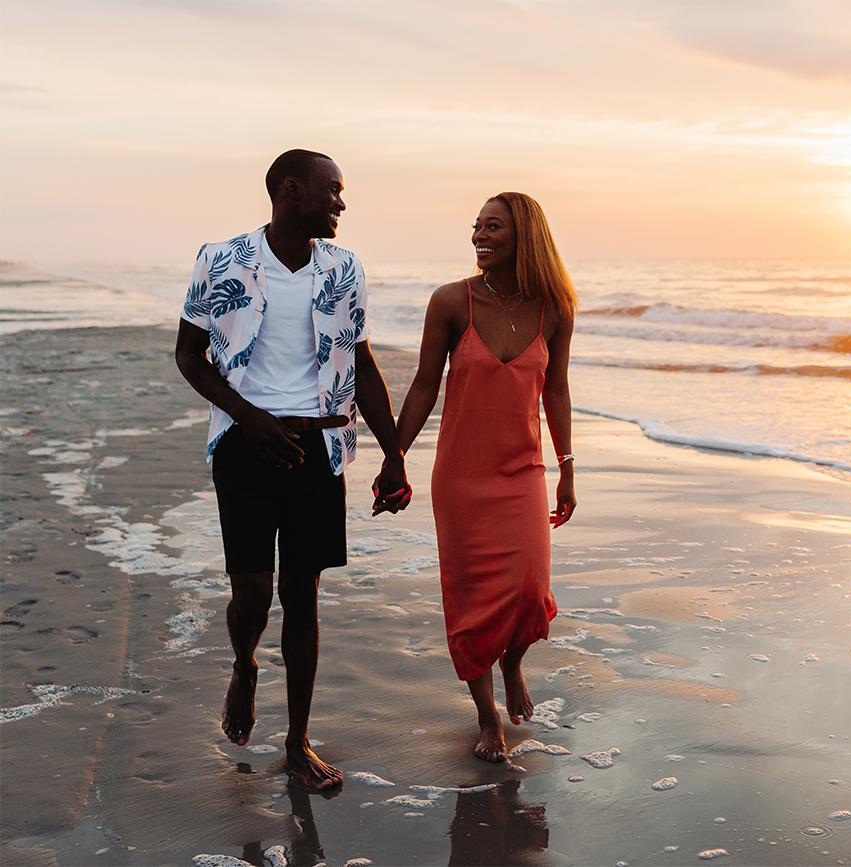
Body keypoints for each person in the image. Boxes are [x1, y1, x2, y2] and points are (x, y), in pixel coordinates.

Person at [175, 149, 411, 789]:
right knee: (252, 594)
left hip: (317, 452)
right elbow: (189, 356)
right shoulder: (221, 260)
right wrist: (248, 416)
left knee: (301, 595)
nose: (340, 203)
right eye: (332, 191)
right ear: (290, 190)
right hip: (245, 447)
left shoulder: (343, 268)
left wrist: (393, 455)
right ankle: (244, 664)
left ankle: (299, 741)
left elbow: (360, 363)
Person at [395, 192, 577, 762]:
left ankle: (515, 665)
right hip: (461, 478)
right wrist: (393, 455)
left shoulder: (555, 308)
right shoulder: (451, 301)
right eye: (476, 226)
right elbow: (426, 383)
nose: (479, 235)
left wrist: (568, 468)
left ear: (523, 236)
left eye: (493, 227)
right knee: (473, 599)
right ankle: (487, 715)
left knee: (527, 589)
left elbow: (557, 389)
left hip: (523, 470)